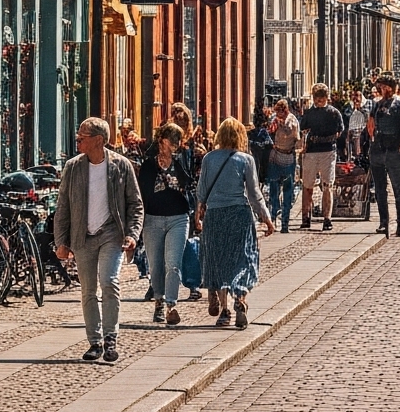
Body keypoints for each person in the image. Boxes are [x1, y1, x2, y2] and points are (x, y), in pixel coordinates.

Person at [53, 116, 145, 363]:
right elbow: (63, 207)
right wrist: (60, 241)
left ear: (99, 140)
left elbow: (135, 204)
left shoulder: (121, 166)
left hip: (111, 234)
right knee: (88, 290)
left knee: (109, 281)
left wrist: (132, 234)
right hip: (82, 236)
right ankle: (94, 342)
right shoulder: (73, 167)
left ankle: (110, 338)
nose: (78, 141)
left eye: (82, 138)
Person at [195, 116, 275, 329]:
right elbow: (254, 194)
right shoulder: (246, 160)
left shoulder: (208, 159)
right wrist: (266, 219)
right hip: (239, 215)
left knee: (219, 261)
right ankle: (240, 298)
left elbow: (201, 191)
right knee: (243, 259)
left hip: (215, 216)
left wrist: (197, 215)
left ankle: (224, 310)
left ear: (220, 136)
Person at [136, 123, 194, 325]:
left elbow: (190, 181)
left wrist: (178, 162)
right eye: (173, 139)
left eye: (179, 139)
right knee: (156, 265)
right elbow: (142, 194)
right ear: (162, 141)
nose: (177, 144)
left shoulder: (182, 158)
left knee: (173, 264)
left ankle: (171, 305)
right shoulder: (148, 164)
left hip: (178, 217)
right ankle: (158, 301)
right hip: (153, 218)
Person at [366, 75, 400, 235]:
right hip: (378, 149)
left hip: (393, 150)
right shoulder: (377, 105)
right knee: (380, 189)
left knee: (397, 189)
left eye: (384, 86)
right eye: (380, 86)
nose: (381, 89)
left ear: (391, 88)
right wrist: (372, 138)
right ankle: (383, 222)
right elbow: (370, 123)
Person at [298, 84, 345, 231]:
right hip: (312, 151)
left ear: (326, 98)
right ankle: (306, 217)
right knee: (307, 185)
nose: (318, 101)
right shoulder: (309, 113)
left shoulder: (333, 113)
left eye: (320, 98)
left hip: (328, 151)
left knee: (327, 185)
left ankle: (327, 218)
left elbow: (340, 131)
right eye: (316, 98)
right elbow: (303, 129)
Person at [264, 99, 301, 234]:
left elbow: (292, 134)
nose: (276, 116)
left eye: (278, 113)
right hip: (275, 156)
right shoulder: (276, 119)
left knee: (287, 191)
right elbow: (270, 131)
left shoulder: (292, 120)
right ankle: (273, 217)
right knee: (273, 189)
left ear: (284, 111)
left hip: (288, 158)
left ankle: (285, 223)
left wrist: (282, 125)